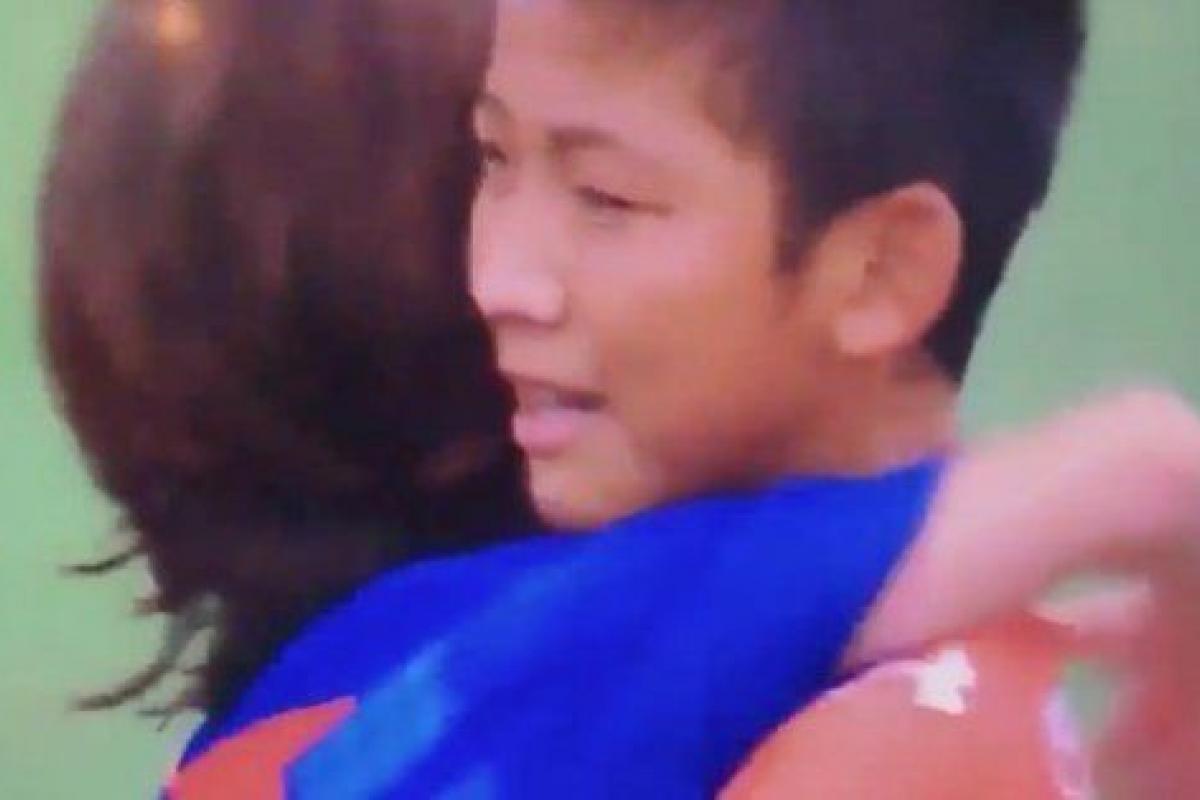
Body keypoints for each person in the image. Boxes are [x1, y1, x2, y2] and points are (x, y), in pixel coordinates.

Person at [39, 0, 1200, 797]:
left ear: (879, 271)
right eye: (490, 161)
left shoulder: (886, 742)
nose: (500, 278)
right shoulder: (435, 672)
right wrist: (1109, 480)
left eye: (606, 198)